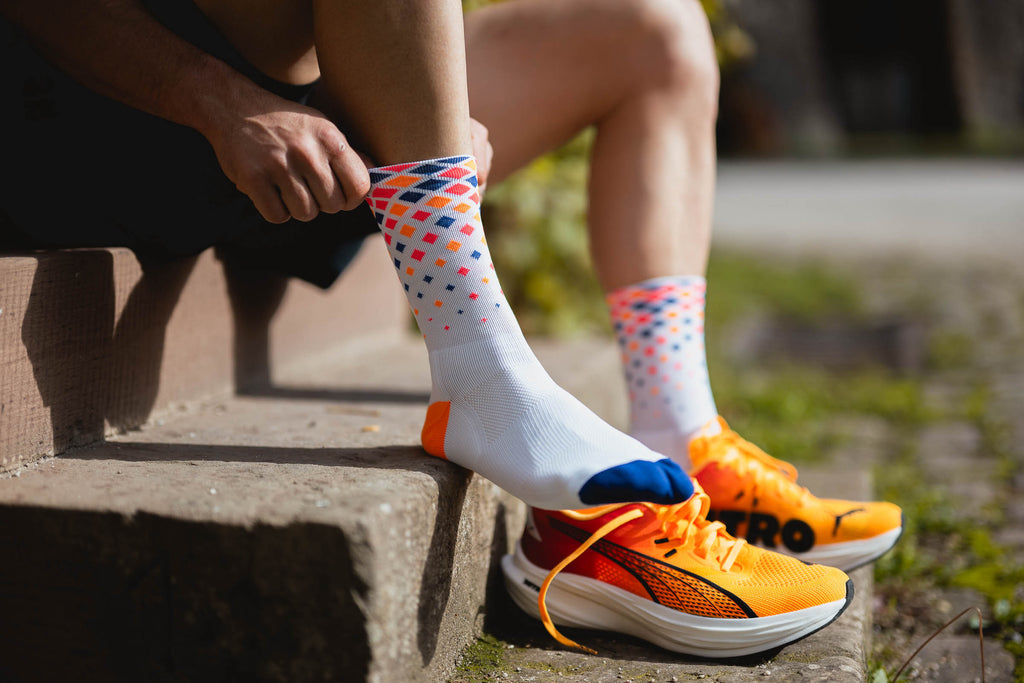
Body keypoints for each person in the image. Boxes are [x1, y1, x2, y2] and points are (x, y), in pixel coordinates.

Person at [0, 0, 901, 657]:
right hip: (114, 114)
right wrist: (215, 98)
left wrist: (429, 101)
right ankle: (485, 378)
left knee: (658, 33)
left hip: (333, 147)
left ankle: (680, 429)